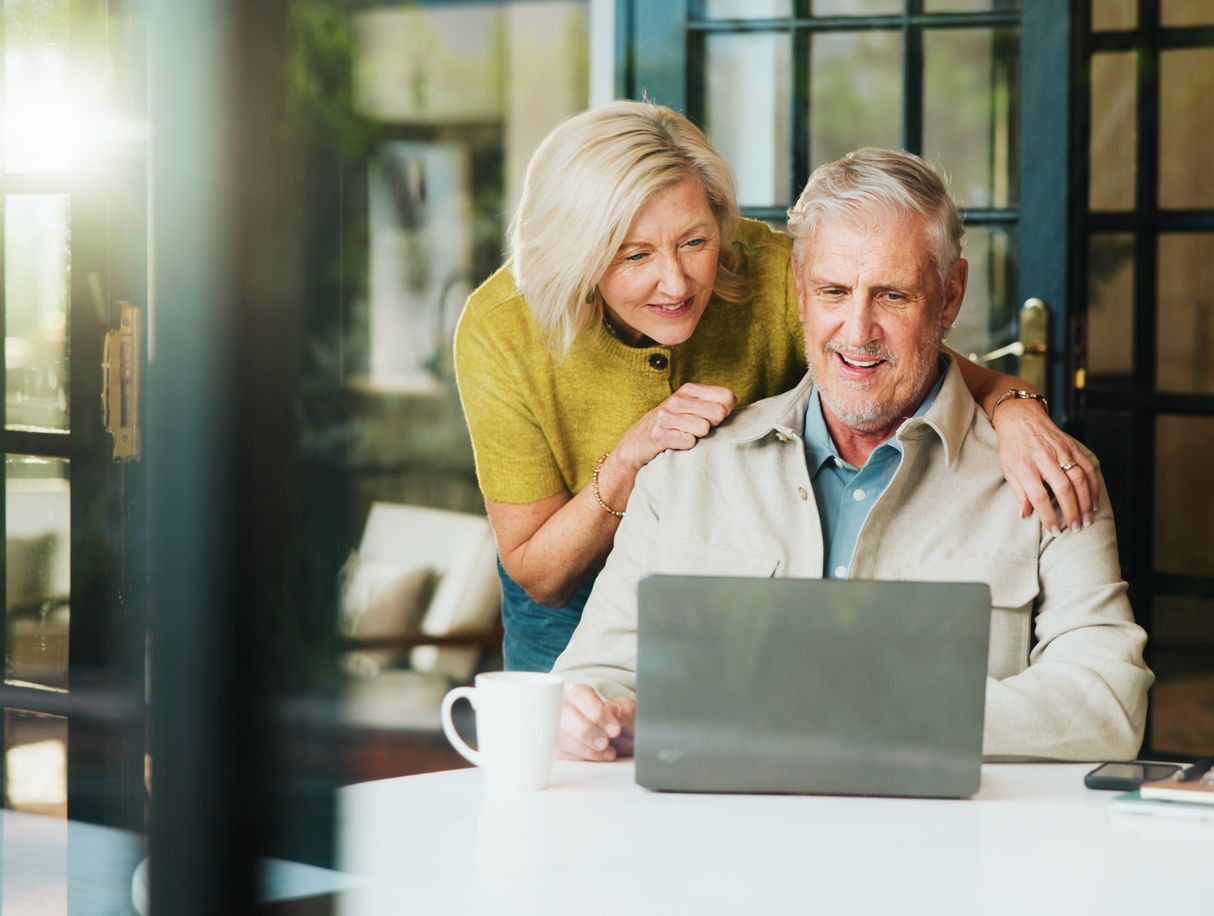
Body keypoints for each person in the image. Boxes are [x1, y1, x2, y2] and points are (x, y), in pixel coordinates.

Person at [454, 101, 1104, 672]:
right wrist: (631, 456)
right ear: (581, 255)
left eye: (695, 241)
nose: (677, 282)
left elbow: (900, 345)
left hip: (727, 570)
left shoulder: (773, 270)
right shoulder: (503, 328)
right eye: (635, 255)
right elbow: (538, 573)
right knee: (569, 759)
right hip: (570, 584)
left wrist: (1014, 404)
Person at [551, 148, 1152, 762]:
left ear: (949, 297)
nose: (858, 330)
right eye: (833, 291)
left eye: (892, 296)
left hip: (947, 849)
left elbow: (1107, 701)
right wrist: (585, 714)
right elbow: (594, 672)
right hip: (726, 845)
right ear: (800, 293)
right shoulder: (687, 469)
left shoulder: (1049, 477)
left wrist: (867, 711)